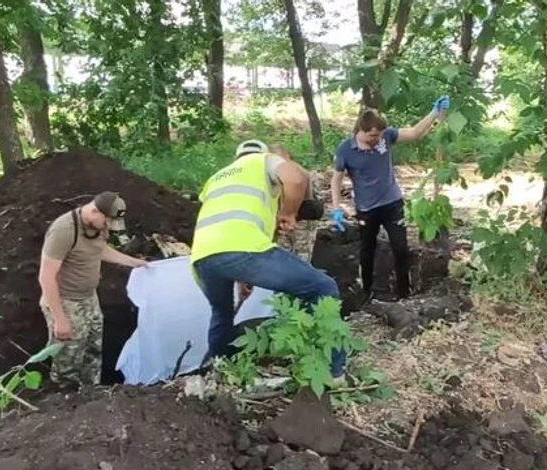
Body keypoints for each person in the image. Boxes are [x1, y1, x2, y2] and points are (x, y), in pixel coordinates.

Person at [190, 140, 346, 380]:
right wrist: (288, 212)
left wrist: (242, 277)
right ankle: (333, 373)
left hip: (202, 257)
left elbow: (229, 225)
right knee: (323, 288)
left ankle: (221, 373)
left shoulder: (217, 178)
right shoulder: (263, 161)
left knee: (221, 312)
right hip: (243, 247)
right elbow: (296, 179)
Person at [330, 96, 450, 301]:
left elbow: (414, 133)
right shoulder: (345, 149)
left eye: (379, 135)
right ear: (361, 129)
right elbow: (336, 180)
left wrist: (435, 112)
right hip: (366, 208)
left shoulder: (386, 136)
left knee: (401, 249)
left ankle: (404, 293)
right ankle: (367, 291)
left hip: (392, 203)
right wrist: (336, 208)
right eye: (372, 136)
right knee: (367, 251)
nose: (376, 139)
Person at [38, 191, 148, 389]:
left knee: (92, 350)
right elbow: (46, 277)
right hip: (65, 301)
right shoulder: (63, 231)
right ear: (95, 211)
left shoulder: (99, 227)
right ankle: (65, 396)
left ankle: (91, 393)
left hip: (89, 298)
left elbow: (99, 249)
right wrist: (60, 319)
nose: (108, 228)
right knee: (68, 355)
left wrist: (132, 262)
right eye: (106, 222)